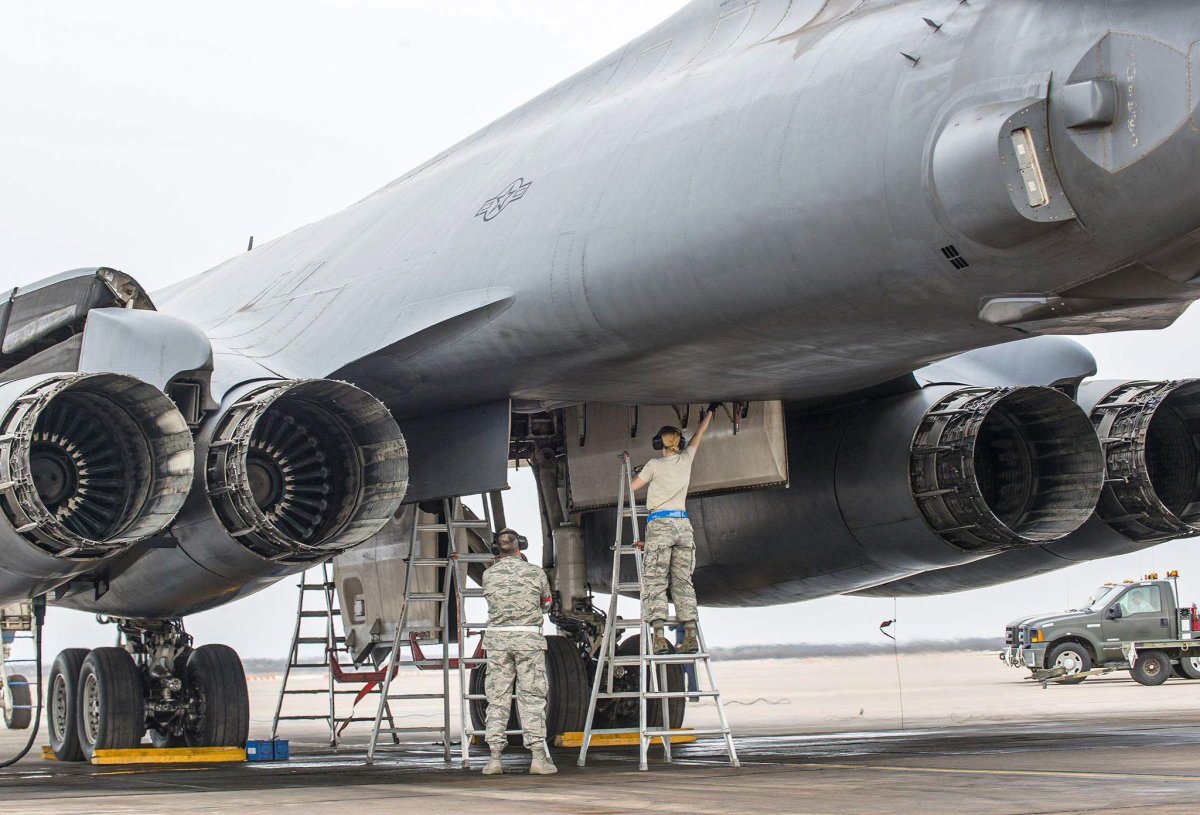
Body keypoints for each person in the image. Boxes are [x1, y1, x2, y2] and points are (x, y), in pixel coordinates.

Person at [629, 402, 720, 655]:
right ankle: (690, 635)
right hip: (682, 525)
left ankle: (658, 637)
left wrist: (633, 473)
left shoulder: (654, 465)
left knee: (656, 581)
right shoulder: (686, 459)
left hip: (659, 523)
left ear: (659, 443)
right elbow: (698, 435)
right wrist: (710, 413)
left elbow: (633, 487)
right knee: (683, 581)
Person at [480, 528, 556, 776]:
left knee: (497, 698)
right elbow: (546, 605)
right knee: (532, 698)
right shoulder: (535, 572)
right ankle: (537, 757)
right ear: (520, 545)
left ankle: (494, 759)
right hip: (527, 641)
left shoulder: (488, 575)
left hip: (498, 642)